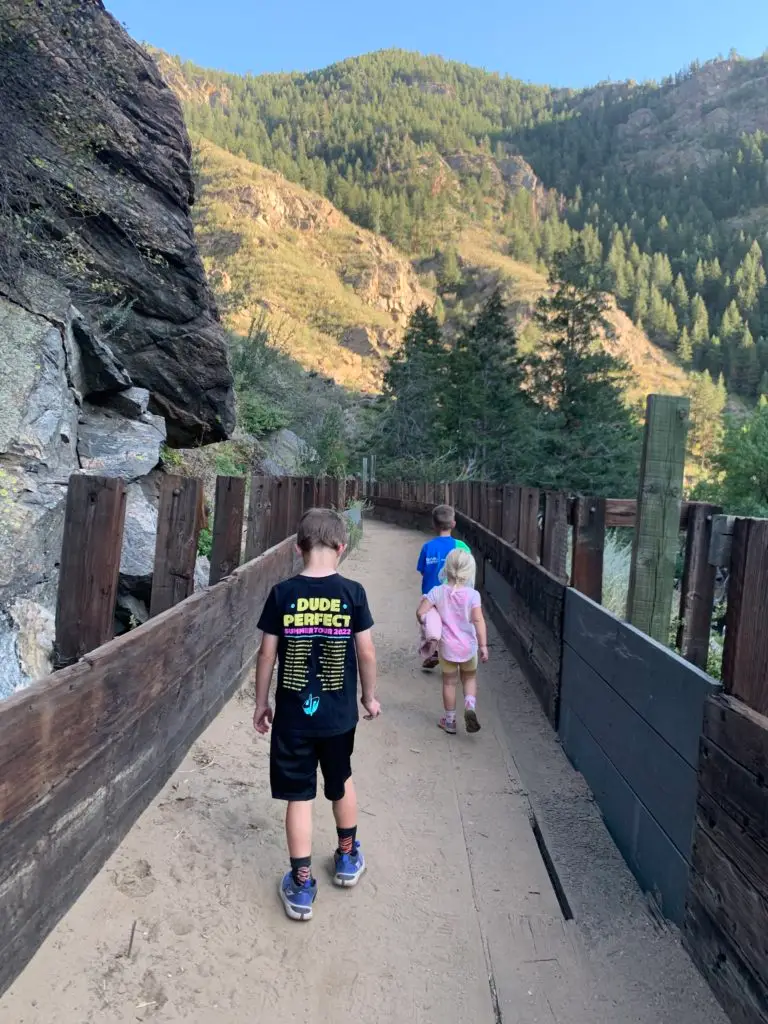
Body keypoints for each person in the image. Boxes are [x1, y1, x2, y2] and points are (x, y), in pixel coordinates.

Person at [253, 507, 380, 922]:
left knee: (299, 797)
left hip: (293, 719)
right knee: (341, 781)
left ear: (297, 547)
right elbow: (365, 651)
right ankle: (346, 859)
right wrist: (369, 697)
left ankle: (302, 884)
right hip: (338, 717)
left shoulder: (282, 594)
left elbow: (267, 652)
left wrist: (261, 703)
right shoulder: (353, 593)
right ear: (342, 547)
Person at [417, 547, 488, 735]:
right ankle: (470, 706)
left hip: (447, 648)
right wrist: (483, 646)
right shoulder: (473, 596)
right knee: (470, 677)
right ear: (469, 571)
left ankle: (449, 722)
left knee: (449, 683)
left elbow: (420, 612)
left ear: (446, 569)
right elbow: (478, 621)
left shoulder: (437, 592)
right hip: (469, 648)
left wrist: (430, 619)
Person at [416, 504, 470, 668]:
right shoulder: (462, 547)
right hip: (454, 594)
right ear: (453, 524)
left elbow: (423, 571)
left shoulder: (427, 547)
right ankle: (455, 653)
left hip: (431, 596)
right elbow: (468, 571)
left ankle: (431, 652)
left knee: (428, 624)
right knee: (452, 623)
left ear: (434, 524)